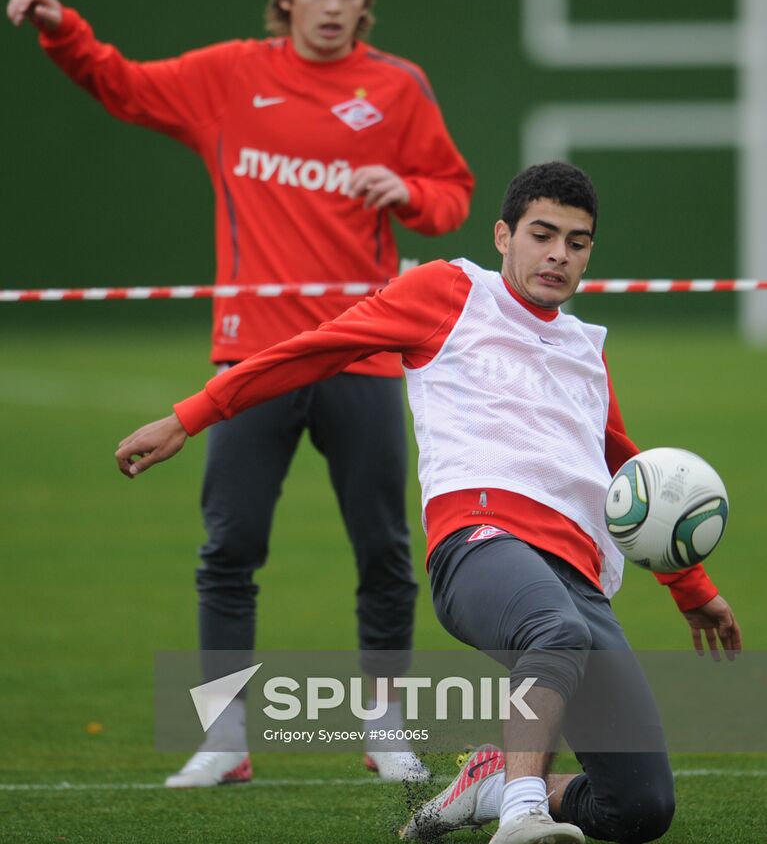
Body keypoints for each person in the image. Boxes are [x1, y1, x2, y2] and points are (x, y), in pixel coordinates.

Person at [115, 162, 741, 844]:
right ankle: (521, 813)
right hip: (480, 541)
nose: (558, 253)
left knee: (640, 808)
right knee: (551, 633)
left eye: (577, 241)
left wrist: (691, 588)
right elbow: (318, 350)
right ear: (503, 235)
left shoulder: (584, 351)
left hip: (580, 576)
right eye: (542, 234)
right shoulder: (448, 291)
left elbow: (627, 470)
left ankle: (494, 784)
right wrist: (191, 415)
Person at [7, 0, 474, 788]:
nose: (333, 6)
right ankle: (225, 740)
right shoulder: (229, 77)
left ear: (366, 1)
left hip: (363, 360)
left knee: (383, 553)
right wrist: (63, 32)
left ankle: (386, 728)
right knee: (229, 552)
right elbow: (125, 86)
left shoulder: (399, 89)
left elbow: (451, 195)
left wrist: (407, 190)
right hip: (251, 362)